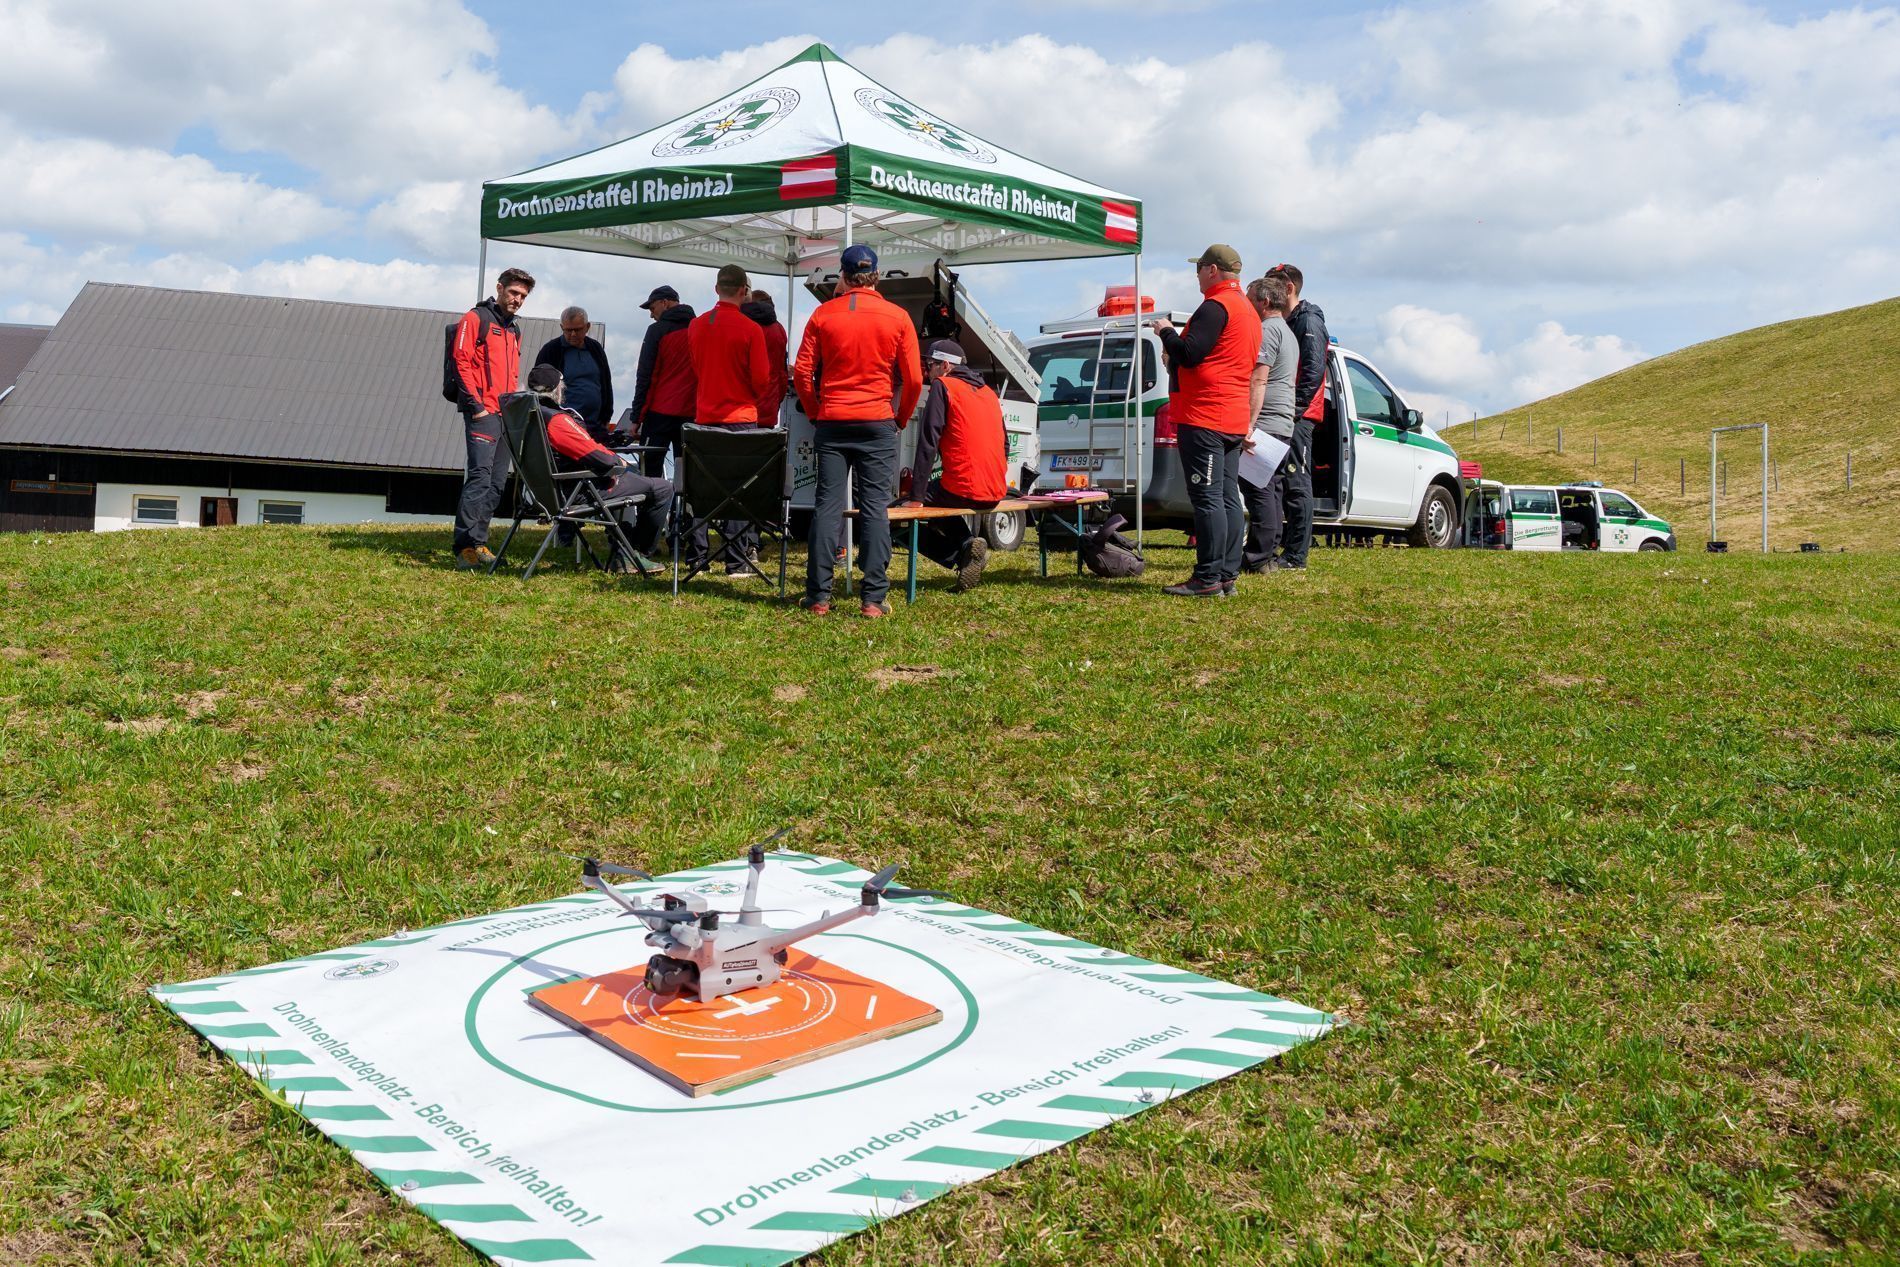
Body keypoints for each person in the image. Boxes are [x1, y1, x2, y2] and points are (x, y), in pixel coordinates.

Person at [792, 244, 923, 617]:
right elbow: (913, 378)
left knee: (827, 506)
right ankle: (873, 599)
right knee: (875, 508)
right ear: (876, 276)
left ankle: (818, 597)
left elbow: (802, 373)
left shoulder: (822, 314)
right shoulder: (897, 317)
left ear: (843, 277)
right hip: (878, 419)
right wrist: (900, 417)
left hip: (833, 419)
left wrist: (817, 412)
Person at [1152, 244, 1261, 597]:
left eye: (1198, 268)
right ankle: (1226, 575)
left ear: (1212, 270)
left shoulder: (1215, 307)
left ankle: (1207, 577)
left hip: (1205, 415)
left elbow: (1190, 353)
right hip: (1230, 415)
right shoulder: (1246, 308)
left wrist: (1167, 331)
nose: (1196, 274)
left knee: (1207, 498)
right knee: (1228, 497)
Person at [524, 364, 673, 573]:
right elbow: (599, 458)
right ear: (558, 389)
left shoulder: (528, 416)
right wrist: (618, 462)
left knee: (634, 482)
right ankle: (632, 555)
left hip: (545, 493)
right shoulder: (557, 421)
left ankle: (624, 550)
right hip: (577, 492)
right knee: (662, 488)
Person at [899, 339, 1007, 592]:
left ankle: (961, 553)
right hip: (995, 492)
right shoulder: (989, 393)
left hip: (963, 490)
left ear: (946, 365)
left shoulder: (943, 386)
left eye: (931, 365)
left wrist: (914, 496)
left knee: (897, 513)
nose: (928, 371)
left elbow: (928, 443)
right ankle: (968, 545)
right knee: (940, 498)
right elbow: (1005, 446)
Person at [687, 264, 773, 576]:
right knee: (740, 490)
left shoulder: (696, 326)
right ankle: (736, 560)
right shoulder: (751, 329)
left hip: (705, 418)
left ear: (716, 289)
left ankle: (697, 556)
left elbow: (697, 368)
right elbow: (762, 380)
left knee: (701, 490)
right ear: (743, 292)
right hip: (740, 417)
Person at [450, 267, 533, 570]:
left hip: (505, 416)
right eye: (513, 292)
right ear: (499, 288)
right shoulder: (476, 318)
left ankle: (480, 541)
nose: (517, 299)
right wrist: (476, 407)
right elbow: (460, 361)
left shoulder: (514, 330)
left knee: (497, 482)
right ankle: (464, 548)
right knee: (479, 478)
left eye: (523, 296)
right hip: (483, 413)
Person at [1266, 263, 1328, 570]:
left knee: (1297, 481)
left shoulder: (1308, 321)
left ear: (1288, 289)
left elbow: (1313, 371)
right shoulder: (1290, 322)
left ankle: (1295, 555)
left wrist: (1294, 409)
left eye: (1273, 286)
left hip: (1298, 415)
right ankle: (1273, 546)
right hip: (1286, 412)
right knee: (1276, 480)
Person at [1240, 275, 1300, 572]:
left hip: (1265, 421)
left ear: (1263, 302)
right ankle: (1267, 554)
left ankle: (1256, 557)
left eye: (1249, 297)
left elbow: (1258, 378)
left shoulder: (1266, 331)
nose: (1246, 302)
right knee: (1272, 489)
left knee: (1258, 490)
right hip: (1282, 421)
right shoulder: (1287, 331)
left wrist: (1249, 424)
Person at [628, 284, 697, 478]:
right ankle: (683, 508)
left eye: (652, 308)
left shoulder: (656, 331)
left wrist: (636, 418)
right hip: (692, 414)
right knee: (689, 475)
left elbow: (646, 376)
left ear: (664, 303)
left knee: (650, 471)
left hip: (660, 413)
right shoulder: (699, 329)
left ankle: (651, 508)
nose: (651, 314)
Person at [533, 307, 613, 442]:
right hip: (567, 428)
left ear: (587, 327)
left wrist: (606, 417)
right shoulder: (551, 351)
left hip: (595, 427)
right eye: (568, 330)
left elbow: (606, 383)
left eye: (578, 329)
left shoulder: (595, 349)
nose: (573, 334)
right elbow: (540, 391)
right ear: (561, 327)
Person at [743, 289, 789, 427]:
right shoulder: (778, 329)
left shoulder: (743, 326)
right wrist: (776, 401)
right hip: (768, 406)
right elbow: (782, 373)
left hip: (742, 409)